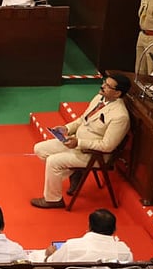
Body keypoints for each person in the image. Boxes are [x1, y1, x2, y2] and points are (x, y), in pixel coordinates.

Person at [31, 73, 131, 208]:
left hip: (93, 154)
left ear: (117, 93)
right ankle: (75, 172)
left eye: (107, 86)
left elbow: (107, 146)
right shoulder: (99, 98)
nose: (102, 86)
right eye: (104, 82)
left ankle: (53, 199)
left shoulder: (120, 116)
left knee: (53, 162)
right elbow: (82, 120)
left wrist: (78, 143)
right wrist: (66, 128)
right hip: (76, 143)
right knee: (40, 149)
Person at [46, 209, 134, 263]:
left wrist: (50, 255)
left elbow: (52, 265)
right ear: (115, 229)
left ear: (89, 226)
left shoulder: (71, 246)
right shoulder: (124, 251)